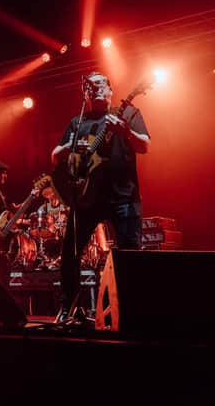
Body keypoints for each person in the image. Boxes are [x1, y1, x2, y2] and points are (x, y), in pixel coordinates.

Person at [51, 71, 150, 323]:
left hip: (123, 196)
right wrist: (69, 147)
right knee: (70, 253)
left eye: (100, 85)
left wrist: (126, 133)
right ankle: (68, 308)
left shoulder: (128, 113)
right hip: (85, 199)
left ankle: (134, 311)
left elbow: (145, 146)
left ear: (110, 89)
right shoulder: (77, 122)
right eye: (90, 86)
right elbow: (55, 156)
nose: (95, 89)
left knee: (129, 255)